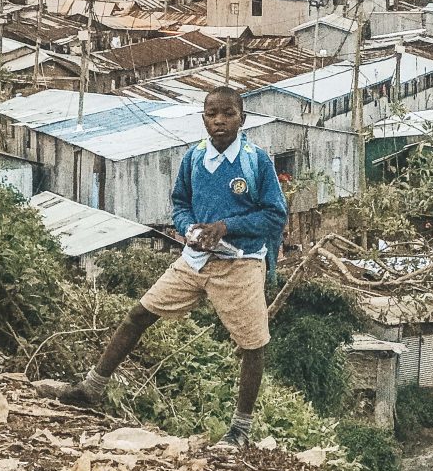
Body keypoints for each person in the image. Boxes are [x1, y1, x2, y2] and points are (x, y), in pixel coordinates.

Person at [37, 87, 288, 450]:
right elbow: (180, 203)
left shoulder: (255, 161)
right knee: (138, 315)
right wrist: (188, 230)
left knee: (252, 345)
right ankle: (91, 388)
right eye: (212, 113)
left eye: (228, 113)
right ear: (203, 118)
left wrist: (225, 227)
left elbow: (274, 214)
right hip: (195, 259)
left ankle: (240, 430)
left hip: (240, 263)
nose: (219, 121)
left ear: (242, 118)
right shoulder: (194, 157)